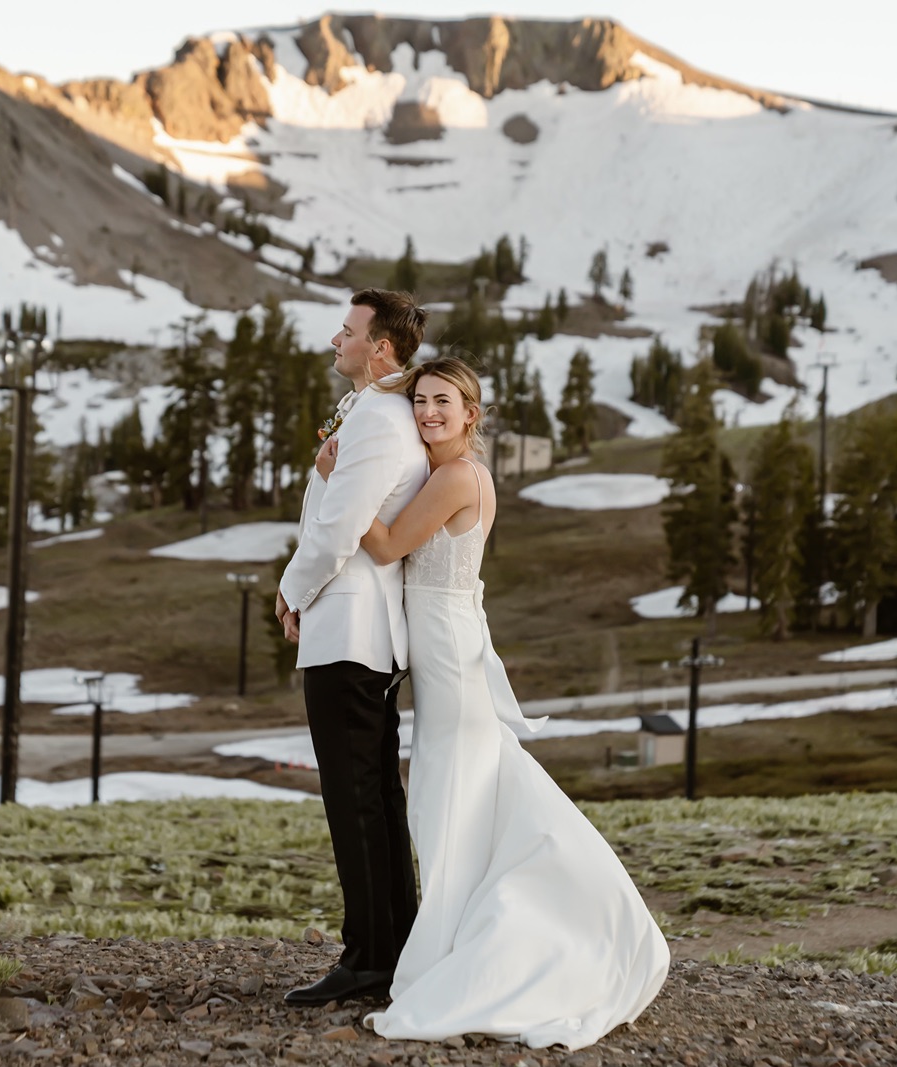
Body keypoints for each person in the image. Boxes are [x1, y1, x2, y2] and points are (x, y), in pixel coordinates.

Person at [313, 356, 670, 1050]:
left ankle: (454, 956)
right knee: (468, 796)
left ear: (471, 413)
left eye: (443, 401)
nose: (427, 413)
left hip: (449, 657)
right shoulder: (451, 474)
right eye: (419, 401)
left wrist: (336, 481)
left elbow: (384, 546)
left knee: (446, 800)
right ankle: (467, 935)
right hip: (449, 648)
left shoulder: (455, 477)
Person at [275, 288, 429, 1006]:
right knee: (374, 797)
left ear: (382, 348)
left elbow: (340, 526)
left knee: (355, 798)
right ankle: (393, 946)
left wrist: (292, 588)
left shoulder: (376, 417)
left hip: (349, 627)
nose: (335, 341)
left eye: (347, 332)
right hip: (366, 630)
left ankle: (369, 956)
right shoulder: (381, 411)